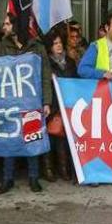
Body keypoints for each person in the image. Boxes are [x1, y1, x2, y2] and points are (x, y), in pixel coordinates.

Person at [0, 14, 53, 193]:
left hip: (31, 100)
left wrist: (47, 102)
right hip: (9, 101)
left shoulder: (37, 47)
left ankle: (33, 178)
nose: (4, 27)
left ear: (16, 26)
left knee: (32, 139)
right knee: (9, 141)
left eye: (7, 24)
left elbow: (45, 74)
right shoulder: (1, 47)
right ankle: (7, 178)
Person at [45, 29, 76, 181]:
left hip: (67, 102)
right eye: (54, 43)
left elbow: (77, 81)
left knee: (63, 138)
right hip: (53, 104)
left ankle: (64, 168)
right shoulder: (46, 64)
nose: (58, 46)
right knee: (51, 136)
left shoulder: (70, 62)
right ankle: (49, 168)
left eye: (60, 43)